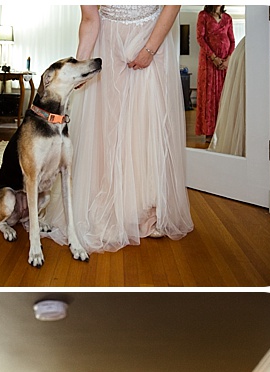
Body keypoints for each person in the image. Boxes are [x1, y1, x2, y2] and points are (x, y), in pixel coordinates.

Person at [51, 5, 192, 255]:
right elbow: (90, 19)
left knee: (145, 125)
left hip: (151, 36)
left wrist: (150, 49)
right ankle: (109, 208)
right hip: (108, 44)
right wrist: (80, 66)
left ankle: (147, 212)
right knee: (108, 128)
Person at [194, 5, 233, 141]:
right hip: (208, 62)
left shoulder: (228, 18)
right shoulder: (203, 15)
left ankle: (223, 130)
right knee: (209, 95)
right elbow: (200, 38)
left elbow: (232, 40)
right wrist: (214, 58)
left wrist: (228, 59)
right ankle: (209, 132)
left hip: (224, 63)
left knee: (224, 94)